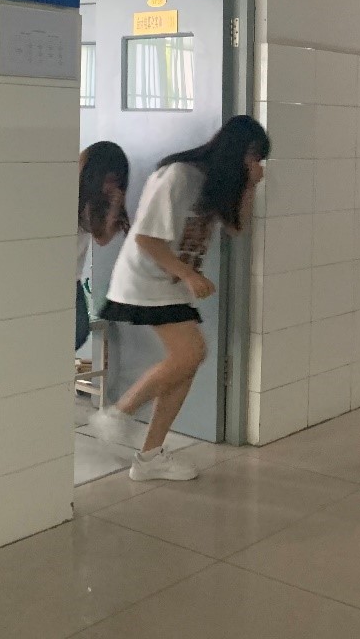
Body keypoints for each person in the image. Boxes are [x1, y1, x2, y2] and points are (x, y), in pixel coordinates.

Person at [89, 116, 269, 481]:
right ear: (239, 151)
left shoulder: (214, 184)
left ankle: (149, 457)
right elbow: (146, 238)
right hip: (144, 280)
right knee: (192, 353)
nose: (256, 165)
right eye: (254, 157)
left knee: (187, 363)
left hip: (169, 283)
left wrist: (250, 186)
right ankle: (119, 413)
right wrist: (188, 273)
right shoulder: (178, 176)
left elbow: (237, 228)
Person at [76, 142, 130, 350]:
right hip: (57, 275)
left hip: (73, 276)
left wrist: (115, 207)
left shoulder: (95, 201)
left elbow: (102, 238)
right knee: (77, 331)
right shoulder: (75, 193)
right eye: (108, 180)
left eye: (116, 182)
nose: (111, 187)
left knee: (79, 331)